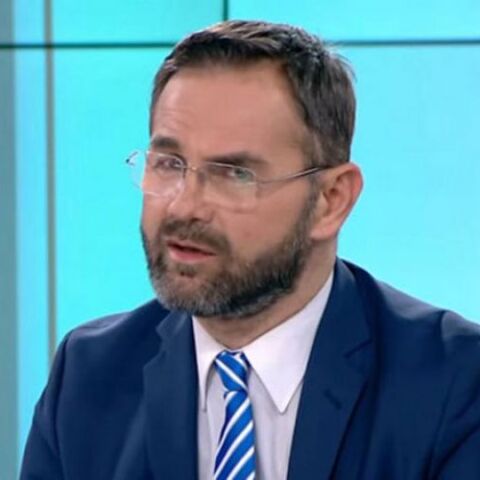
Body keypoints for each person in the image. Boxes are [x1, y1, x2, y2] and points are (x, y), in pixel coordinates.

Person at [21, 20, 480, 480]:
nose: (184, 206)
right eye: (169, 163)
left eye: (234, 174)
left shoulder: (454, 383)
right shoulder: (89, 374)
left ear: (331, 200)